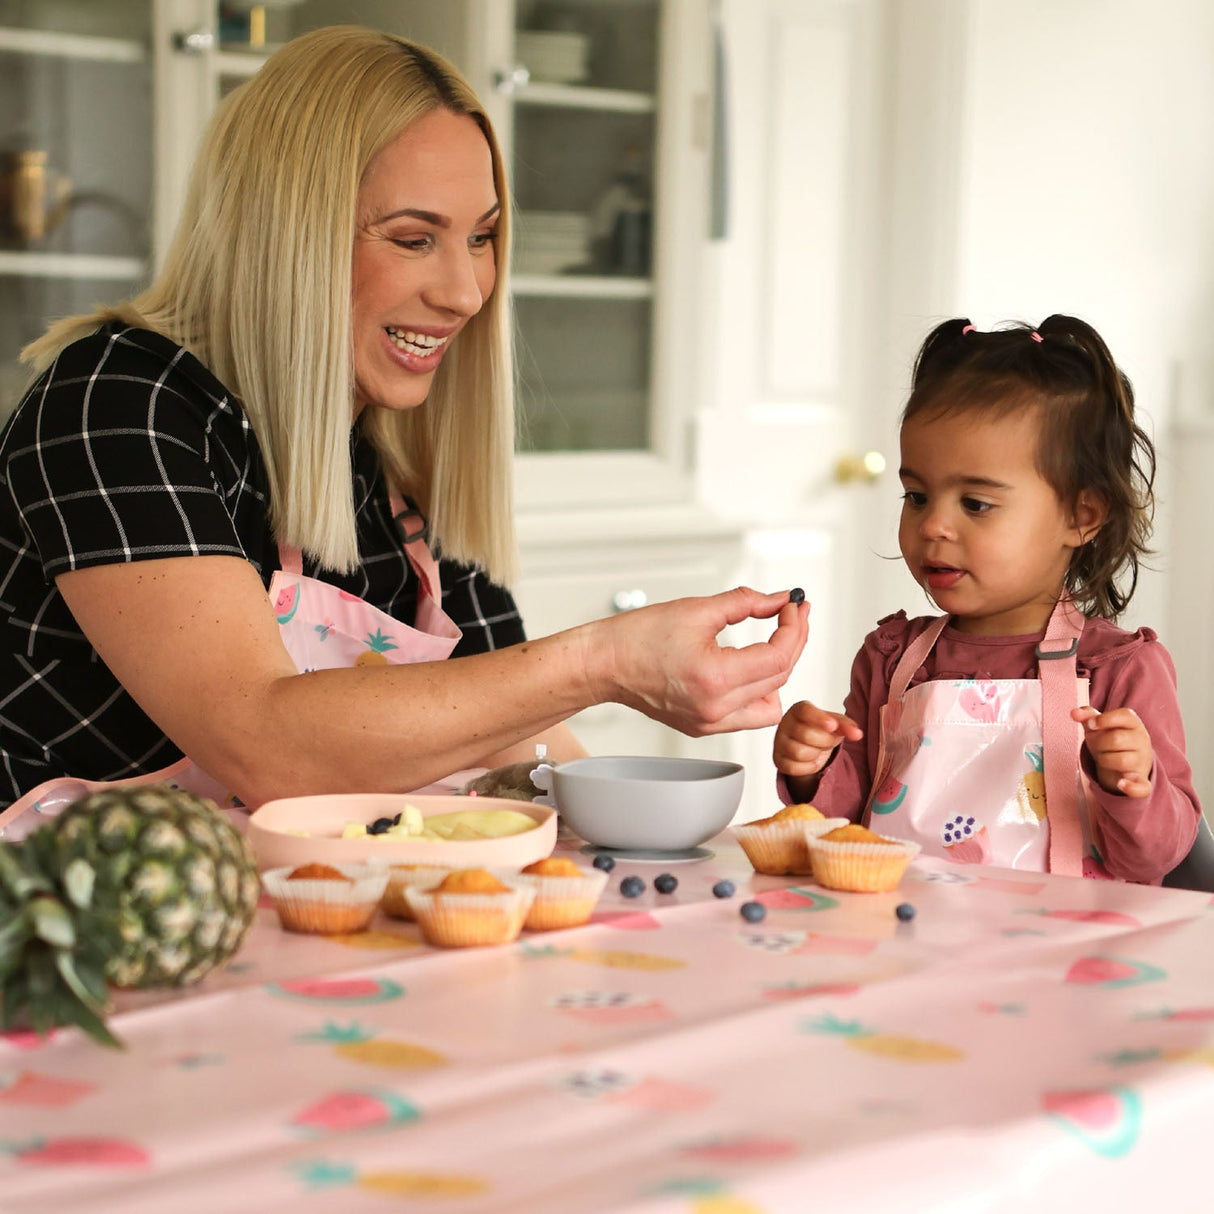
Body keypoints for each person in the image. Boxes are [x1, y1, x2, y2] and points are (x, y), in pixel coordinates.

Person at [0, 26, 807, 814]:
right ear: (289, 237)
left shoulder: (394, 461)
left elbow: (512, 744)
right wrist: (604, 661)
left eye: (483, 237)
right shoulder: (118, 403)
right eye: (415, 239)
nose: (465, 292)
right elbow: (262, 744)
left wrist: (743, 817)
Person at [772, 315, 1201, 884]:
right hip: (903, 942)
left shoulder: (1118, 671)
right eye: (918, 496)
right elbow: (844, 827)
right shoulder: (892, 659)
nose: (934, 526)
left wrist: (1134, 782)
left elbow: (1157, 859)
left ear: (1081, 516)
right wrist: (812, 768)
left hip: (1055, 957)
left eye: (974, 504)